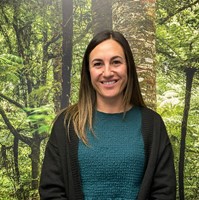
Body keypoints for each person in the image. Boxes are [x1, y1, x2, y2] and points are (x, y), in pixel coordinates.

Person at [39, 30, 176, 200]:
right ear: (88, 72)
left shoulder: (152, 124)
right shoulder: (67, 124)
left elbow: (164, 191)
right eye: (98, 64)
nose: (107, 72)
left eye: (116, 62)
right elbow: (51, 191)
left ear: (128, 67)